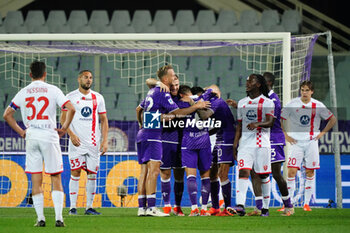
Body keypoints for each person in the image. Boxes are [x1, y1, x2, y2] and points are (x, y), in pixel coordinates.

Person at [3, 60, 76, 227]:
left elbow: (7, 114)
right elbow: (71, 108)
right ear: (45, 74)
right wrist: (64, 128)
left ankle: (41, 219)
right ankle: (59, 219)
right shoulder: (53, 90)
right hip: (49, 135)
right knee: (55, 176)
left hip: (32, 136)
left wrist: (21, 131)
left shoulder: (23, 92)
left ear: (30, 75)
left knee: (36, 179)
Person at [136, 65, 210, 217]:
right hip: (156, 136)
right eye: (172, 76)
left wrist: (141, 124)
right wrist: (195, 106)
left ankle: (143, 207)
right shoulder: (164, 92)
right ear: (165, 79)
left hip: (147, 133)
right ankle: (153, 207)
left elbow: (139, 109)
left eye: (177, 82)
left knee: (146, 171)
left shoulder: (156, 90)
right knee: (155, 171)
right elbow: (176, 113)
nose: (174, 80)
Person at [281, 80, 336, 211]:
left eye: (307, 90)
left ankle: (306, 204)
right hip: (296, 143)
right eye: (302, 90)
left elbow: (332, 119)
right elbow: (280, 118)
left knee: (310, 172)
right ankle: (288, 204)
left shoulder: (318, 105)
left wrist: (322, 133)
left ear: (312, 91)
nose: (304, 92)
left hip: (311, 142)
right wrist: (285, 135)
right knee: (291, 171)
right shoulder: (293, 104)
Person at [60, 70, 108, 216]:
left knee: (92, 174)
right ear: (79, 79)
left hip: (93, 143)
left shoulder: (98, 98)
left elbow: (104, 120)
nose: (89, 80)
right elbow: (63, 119)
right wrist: (71, 135)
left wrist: (105, 141)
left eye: (91, 78)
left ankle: (89, 207)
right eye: (86, 77)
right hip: (77, 143)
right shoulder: (70, 97)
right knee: (75, 172)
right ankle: (72, 207)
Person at [226, 74, 275, 217]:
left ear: (258, 84)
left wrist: (257, 124)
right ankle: (240, 205)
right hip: (245, 144)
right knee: (243, 172)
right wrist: (235, 144)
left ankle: (265, 208)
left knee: (264, 175)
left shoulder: (267, 102)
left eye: (250, 81)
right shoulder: (242, 103)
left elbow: (270, 122)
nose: (247, 83)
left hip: (262, 144)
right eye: (246, 81)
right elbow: (239, 126)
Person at [193, 85, 236, 216]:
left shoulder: (216, 102)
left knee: (223, 174)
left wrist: (195, 105)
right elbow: (217, 126)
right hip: (220, 136)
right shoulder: (212, 101)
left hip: (227, 138)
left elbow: (204, 116)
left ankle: (228, 208)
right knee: (212, 173)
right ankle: (216, 207)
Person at [176, 85, 215, 216]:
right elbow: (214, 88)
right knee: (205, 176)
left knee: (191, 176)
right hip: (204, 140)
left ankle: (194, 209)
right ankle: (203, 209)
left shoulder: (180, 103)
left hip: (189, 142)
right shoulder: (204, 99)